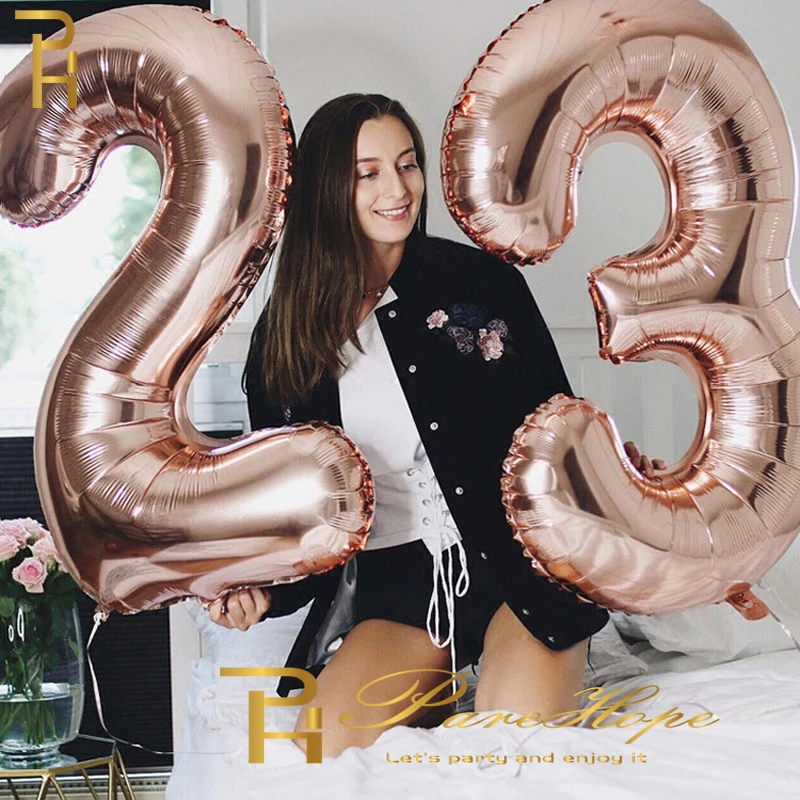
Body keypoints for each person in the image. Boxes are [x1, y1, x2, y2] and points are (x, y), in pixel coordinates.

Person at [208, 93, 664, 758]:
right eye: (367, 173)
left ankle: (511, 666)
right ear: (327, 189)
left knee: (512, 746)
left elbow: (557, 426)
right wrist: (258, 594)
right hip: (397, 592)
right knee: (322, 747)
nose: (398, 190)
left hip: (519, 566)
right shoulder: (285, 340)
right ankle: (438, 682)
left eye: (407, 164)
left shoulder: (481, 284)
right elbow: (295, 525)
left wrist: (620, 481)